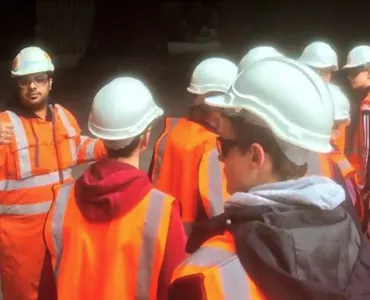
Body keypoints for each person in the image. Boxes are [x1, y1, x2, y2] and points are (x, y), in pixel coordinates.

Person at [169, 57, 370, 300]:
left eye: (223, 145)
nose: (220, 158)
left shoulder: (202, 277)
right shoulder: (357, 245)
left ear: (256, 155)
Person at [38, 77, 187, 300]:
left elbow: (47, 289)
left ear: (101, 137)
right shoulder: (161, 212)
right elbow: (177, 290)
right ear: (145, 139)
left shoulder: (62, 202)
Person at [0, 46, 106, 300]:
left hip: (62, 228)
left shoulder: (63, 116)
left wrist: (115, 144)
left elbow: (78, 146)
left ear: (50, 82)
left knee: (64, 290)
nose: (32, 87)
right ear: (17, 85)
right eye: (25, 81)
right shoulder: (4, 125)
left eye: (39, 80)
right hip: (20, 243)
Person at [149, 57, 237, 237]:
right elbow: (220, 211)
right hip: (196, 241)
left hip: (160, 232)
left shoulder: (171, 132)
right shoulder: (211, 145)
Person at [343, 45, 370, 236]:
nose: (350, 76)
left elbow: (367, 148)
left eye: (355, 71)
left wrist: (362, 186)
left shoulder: (367, 106)